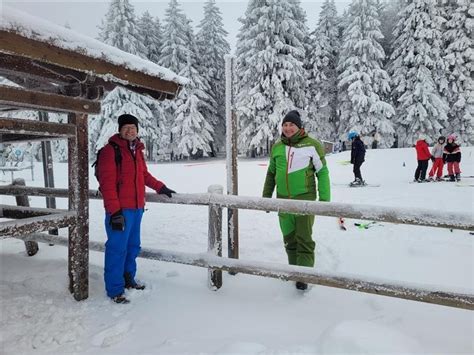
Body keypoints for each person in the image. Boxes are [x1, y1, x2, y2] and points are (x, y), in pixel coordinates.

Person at [98, 114, 176, 304]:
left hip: (137, 208)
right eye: (126, 128)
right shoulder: (110, 151)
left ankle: (128, 279)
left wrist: (160, 187)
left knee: (132, 247)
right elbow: (107, 184)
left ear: (137, 130)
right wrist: (115, 212)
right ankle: (115, 290)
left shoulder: (137, 151)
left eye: (133, 127)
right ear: (120, 129)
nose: (130, 131)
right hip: (120, 211)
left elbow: (144, 175)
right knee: (117, 249)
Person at [262, 110, 330, 291]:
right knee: (289, 239)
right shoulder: (277, 146)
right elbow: (271, 173)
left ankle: (303, 277)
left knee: (304, 239)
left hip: (304, 201)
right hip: (282, 201)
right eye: (285, 125)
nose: (287, 128)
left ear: (299, 126)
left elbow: (322, 172)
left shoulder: (312, 144)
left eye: (291, 124)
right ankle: (294, 271)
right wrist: (266, 198)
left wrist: (324, 200)